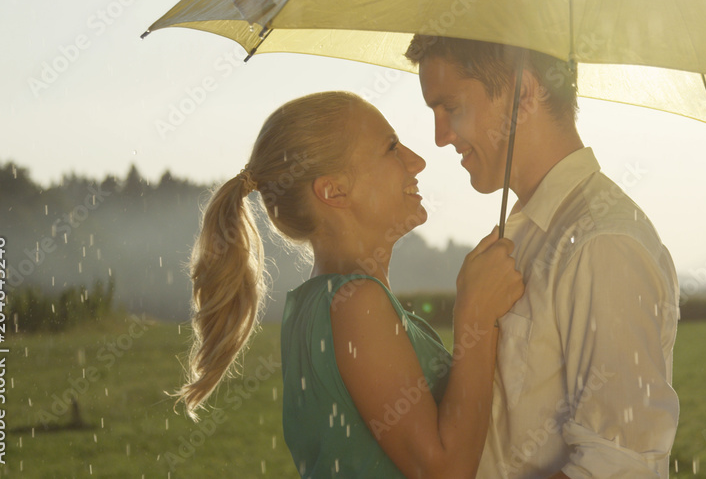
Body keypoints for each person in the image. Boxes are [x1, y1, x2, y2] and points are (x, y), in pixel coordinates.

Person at [170, 91, 524, 478]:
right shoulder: (357, 304)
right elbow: (444, 471)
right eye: (391, 148)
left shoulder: (324, 303)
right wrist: (476, 316)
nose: (417, 161)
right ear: (333, 190)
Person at [406, 37, 681, 478]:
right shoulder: (526, 233)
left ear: (521, 95)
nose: (440, 138)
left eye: (451, 108)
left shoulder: (603, 244)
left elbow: (619, 467)